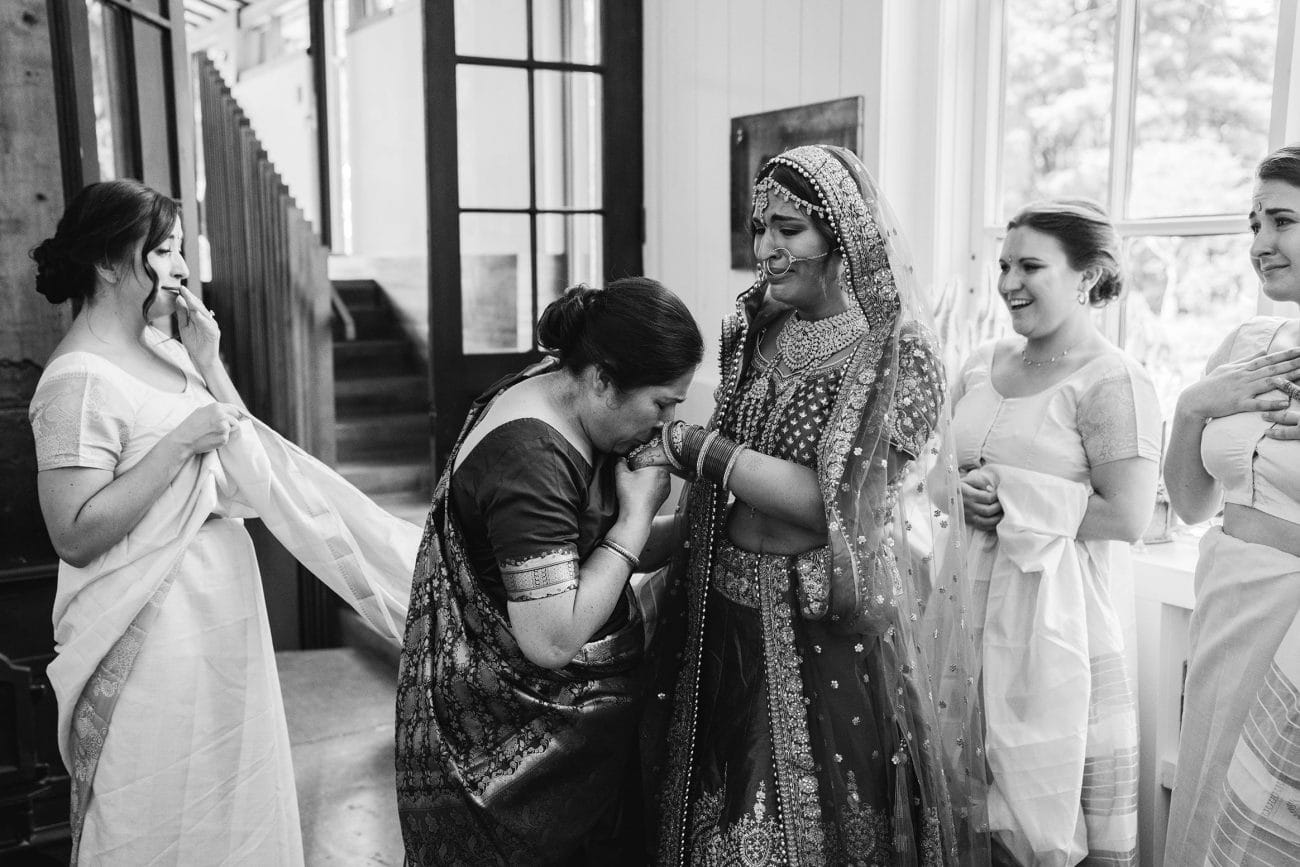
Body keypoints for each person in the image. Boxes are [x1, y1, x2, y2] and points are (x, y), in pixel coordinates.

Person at [27, 179, 418, 865]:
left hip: (221, 616)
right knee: (157, 802)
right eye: (167, 250)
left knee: (231, 792)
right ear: (112, 262)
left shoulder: (169, 349)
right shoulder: (77, 381)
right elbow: (73, 532)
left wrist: (209, 363)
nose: (180, 268)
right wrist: (181, 441)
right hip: (149, 638)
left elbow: (243, 460)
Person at [631, 144, 988, 865]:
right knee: (717, 828)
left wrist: (695, 446)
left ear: (841, 233)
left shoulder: (895, 351)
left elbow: (838, 506)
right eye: (760, 226)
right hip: (724, 618)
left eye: (789, 228)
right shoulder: (755, 330)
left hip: (825, 626)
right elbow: (718, 500)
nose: (767, 247)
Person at [394, 278, 704, 865]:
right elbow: (550, 639)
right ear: (601, 379)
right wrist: (637, 517)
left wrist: (710, 526)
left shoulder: (562, 392)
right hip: (515, 756)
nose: (666, 424)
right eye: (661, 403)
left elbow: (596, 558)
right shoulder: (531, 461)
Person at [945, 199, 1160, 865]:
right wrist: (967, 492)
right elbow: (942, 470)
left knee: (1041, 816)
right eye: (1005, 264)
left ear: (1088, 276)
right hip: (966, 605)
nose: (1009, 282)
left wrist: (1012, 500)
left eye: (1031, 266)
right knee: (965, 803)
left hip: (1057, 625)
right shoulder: (982, 362)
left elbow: (1127, 515)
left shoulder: (1113, 380)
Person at [1164, 145, 1300, 864]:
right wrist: (1191, 407)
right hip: (1221, 601)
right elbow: (1189, 505)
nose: (1258, 244)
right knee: (1207, 793)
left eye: (1282, 221)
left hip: (1291, 620)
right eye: (1253, 222)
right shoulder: (1250, 340)